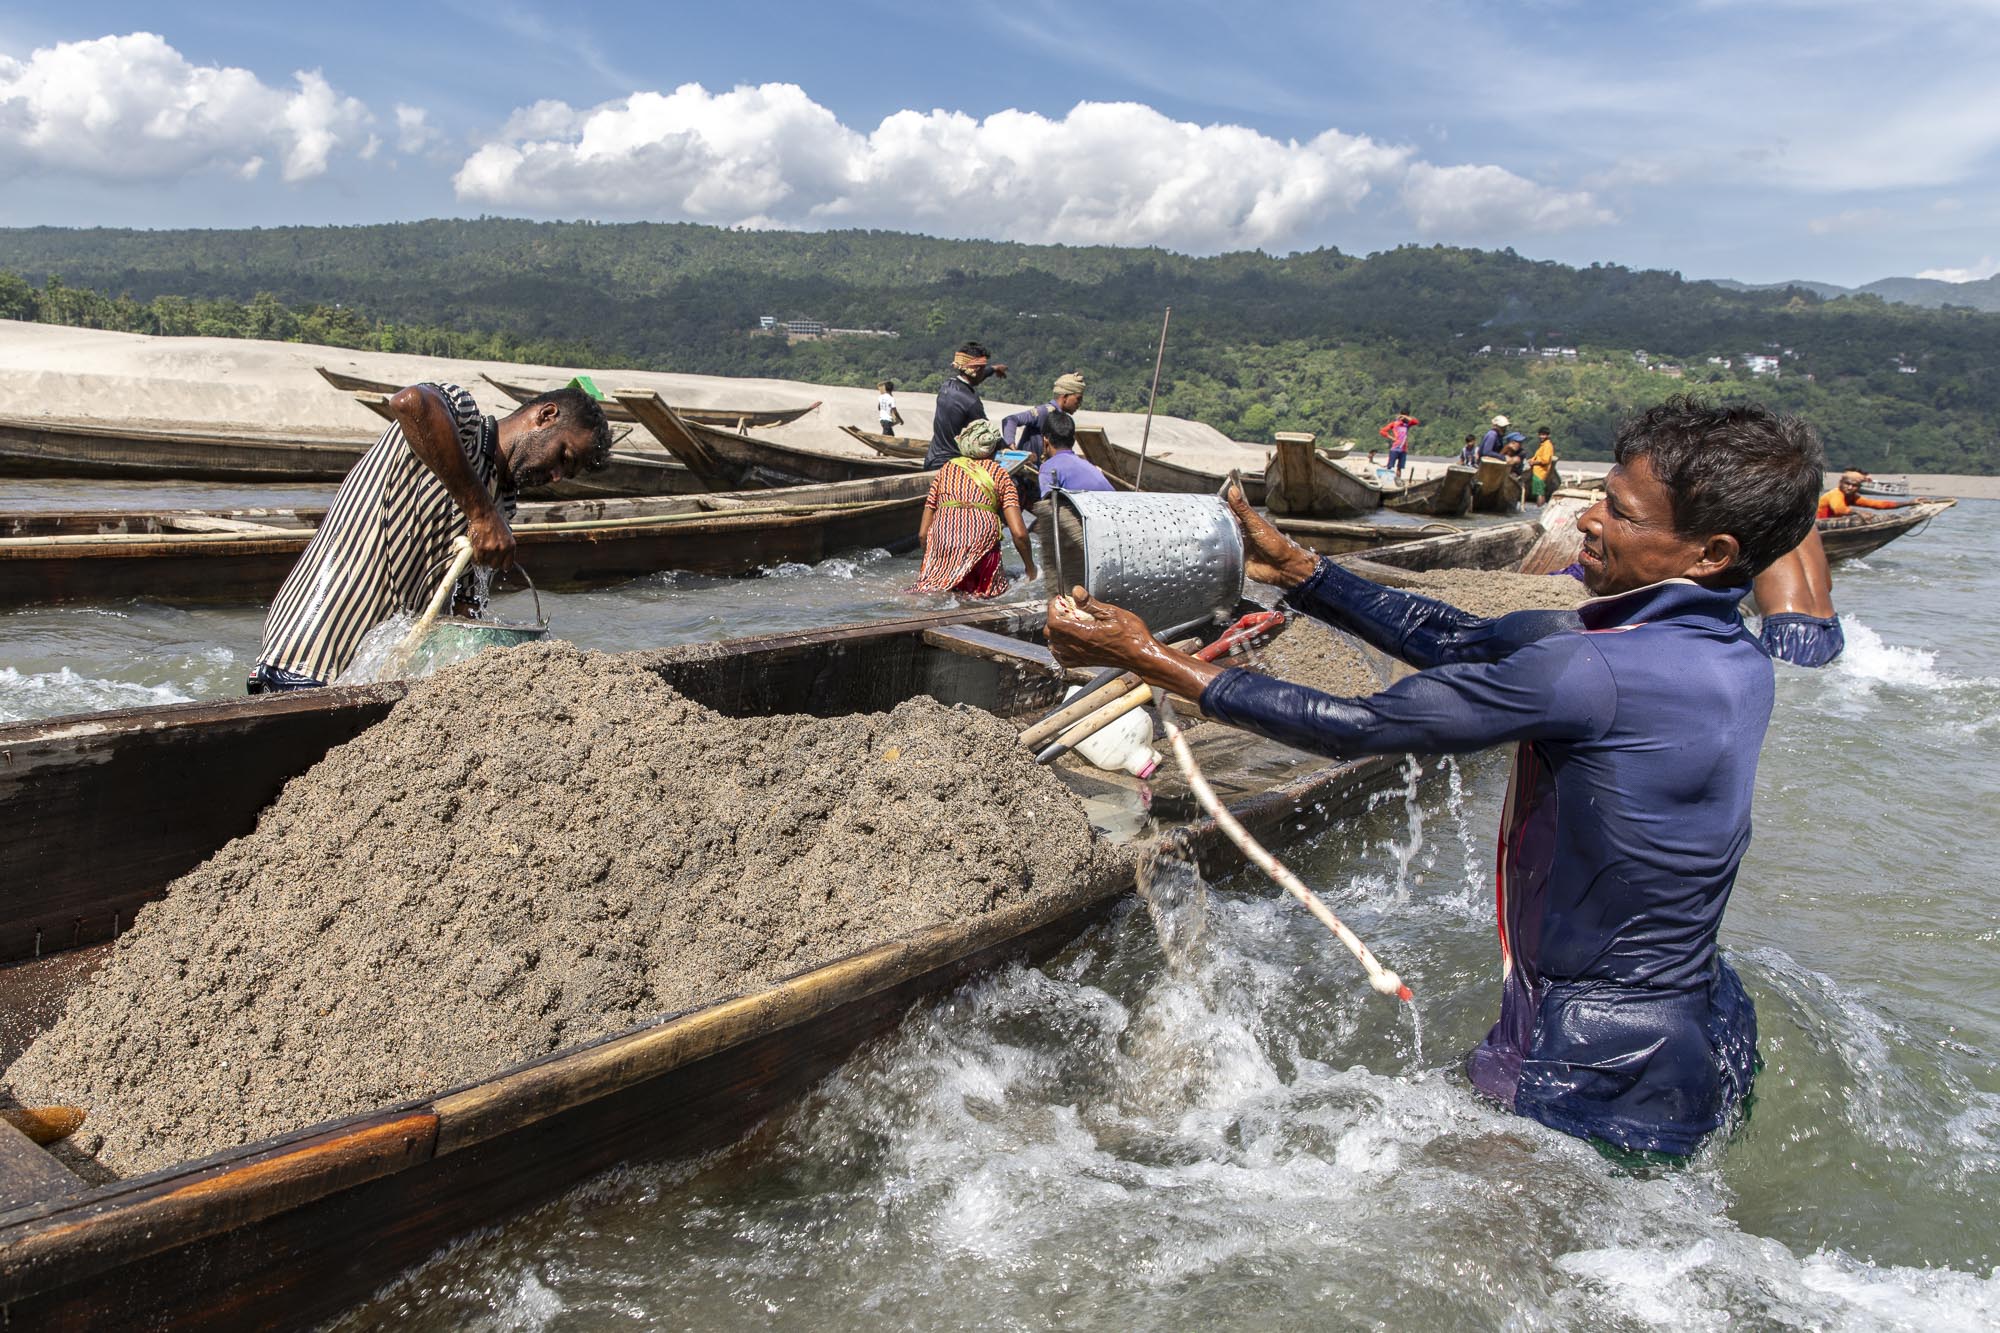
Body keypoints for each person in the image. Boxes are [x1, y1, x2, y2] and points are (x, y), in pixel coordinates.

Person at [1045, 395, 1825, 1158]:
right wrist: (1298, 570)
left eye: (1620, 512)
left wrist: (1150, 659)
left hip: (1588, 1053)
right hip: (1697, 1023)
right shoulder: (1731, 652)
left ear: (1712, 552)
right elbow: (1464, 639)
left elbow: (1359, 726)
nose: (1587, 518)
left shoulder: (1594, 670)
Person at [250, 381, 612, 691]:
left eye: (569, 472)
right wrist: (480, 512)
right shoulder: (465, 424)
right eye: (564, 456)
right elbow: (411, 403)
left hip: (368, 677)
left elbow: (463, 608)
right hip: (307, 657)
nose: (557, 476)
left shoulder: (504, 503)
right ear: (545, 416)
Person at [914, 419, 1038, 598]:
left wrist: (933, 563)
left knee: (940, 591)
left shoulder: (945, 470)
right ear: (994, 451)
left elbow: (923, 534)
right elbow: (1019, 534)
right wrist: (1031, 570)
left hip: (942, 553)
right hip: (981, 560)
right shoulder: (1000, 474)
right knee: (983, 595)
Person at [1752, 527, 1843, 666]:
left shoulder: (1749, 516)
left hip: (1788, 629)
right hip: (1830, 625)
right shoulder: (1809, 521)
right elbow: (1828, 585)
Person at [924, 341, 1009, 470]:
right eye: (982, 368)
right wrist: (1009, 450)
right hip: (952, 466)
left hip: (932, 459)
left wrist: (994, 369)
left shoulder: (946, 386)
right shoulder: (971, 402)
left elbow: (979, 375)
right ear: (977, 369)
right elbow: (989, 436)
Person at [1002, 373, 1086, 460]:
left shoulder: (1063, 420)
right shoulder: (1044, 412)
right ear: (1065, 397)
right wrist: (1011, 448)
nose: (1079, 404)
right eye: (1078, 399)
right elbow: (1011, 419)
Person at [1036, 410, 1115, 493]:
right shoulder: (1089, 467)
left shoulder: (1049, 468)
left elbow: (1048, 504)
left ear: (1045, 440)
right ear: (1073, 440)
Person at [1817, 469, 1907, 519]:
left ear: (1859, 487)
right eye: (1847, 484)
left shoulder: (1853, 497)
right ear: (1840, 483)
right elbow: (1839, 509)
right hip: (1815, 525)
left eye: (1854, 485)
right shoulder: (1835, 494)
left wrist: (1910, 502)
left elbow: (1878, 504)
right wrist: (1859, 512)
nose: (1850, 488)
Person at [1378, 413, 1420, 481]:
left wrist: (1406, 417)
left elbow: (1416, 422)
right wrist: (1391, 438)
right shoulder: (1394, 424)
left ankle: (1398, 480)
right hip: (1395, 448)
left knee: (1400, 467)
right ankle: (1386, 479)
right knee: (1390, 466)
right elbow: (1382, 431)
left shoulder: (1407, 425)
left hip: (1403, 449)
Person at [1529, 427, 1560, 506]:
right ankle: (1540, 508)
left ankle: (1539, 508)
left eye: (1544, 435)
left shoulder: (1547, 445)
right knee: (1540, 492)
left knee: (1539, 492)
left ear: (1548, 435)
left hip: (1540, 472)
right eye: (1541, 435)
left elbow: (1545, 460)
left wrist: (1534, 462)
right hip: (1538, 471)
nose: (1542, 437)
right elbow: (1538, 456)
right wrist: (1532, 460)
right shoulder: (1543, 445)